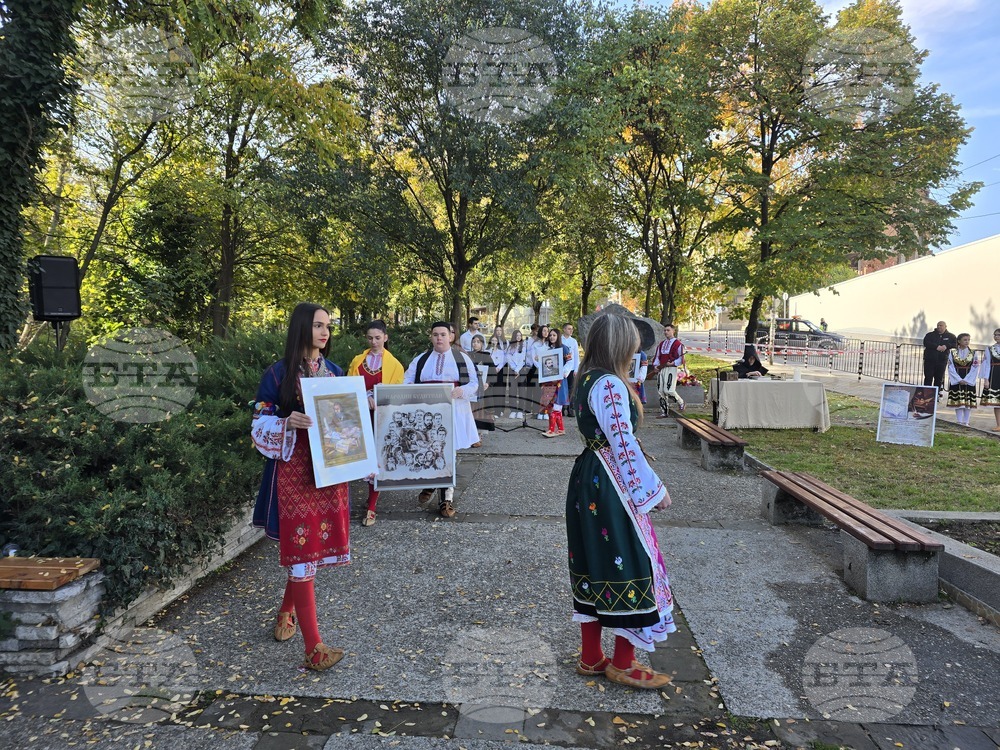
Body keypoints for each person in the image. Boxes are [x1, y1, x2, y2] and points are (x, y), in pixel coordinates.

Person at [565, 314, 675, 689]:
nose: (635, 350)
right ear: (619, 346)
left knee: (594, 561)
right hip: (610, 481)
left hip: (588, 477)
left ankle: (592, 657)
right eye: (630, 344)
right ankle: (623, 664)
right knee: (631, 560)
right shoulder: (610, 384)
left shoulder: (586, 378)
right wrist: (653, 492)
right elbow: (623, 444)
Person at [250, 302, 347, 671]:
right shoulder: (278, 374)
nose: (325, 332)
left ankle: (285, 613)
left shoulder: (336, 372)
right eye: (318, 325)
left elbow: (344, 420)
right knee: (304, 556)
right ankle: (314, 648)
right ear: (302, 328)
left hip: (328, 473)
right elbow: (258, 421)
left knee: (311, 555)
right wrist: (285, 421)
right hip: (293, 474)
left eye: (328, 326)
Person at [404, 321, 480, 517]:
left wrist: (460, 390)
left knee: (448, 455)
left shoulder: (461, 359)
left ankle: (446, 499)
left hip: (453, 411)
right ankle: (430, 483)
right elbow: (406, 381)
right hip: (427, 415)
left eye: (443, 334)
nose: (439, 338)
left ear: (451, 336)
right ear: (431, 337)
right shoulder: (421, 360)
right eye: (435, 334)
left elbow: (474, 383)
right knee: (429, 450)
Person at [347, 319, 405, 527]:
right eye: (370, 338)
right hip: (360, 416)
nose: (374, 342)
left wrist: (380, 397)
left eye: (378, 338)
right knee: (357, 457)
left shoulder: (395, 365)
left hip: (382, 417)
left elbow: (398, 394)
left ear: (386, 338)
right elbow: (348, 387)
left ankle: (372, 506)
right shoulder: (357, 361)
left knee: (378, 459)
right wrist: (363, 397)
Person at [537, 326, 573, 437]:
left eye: (554, 335)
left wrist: (563, 372)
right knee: (552, 405)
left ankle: (551, 430)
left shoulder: (564, 348)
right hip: (549, 382)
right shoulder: (548, 350)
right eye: (550, 335)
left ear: (558, 336)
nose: (552, 337)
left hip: (560, 382)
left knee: (556, 406)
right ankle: (561, 429)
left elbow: (570, 362)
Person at [652, 324, 685, 416]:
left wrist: (673, 363)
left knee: (668, 390)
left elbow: (681, 357)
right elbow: (658, 356)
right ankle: (664, 411)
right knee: (661, 391)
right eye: (665, 330)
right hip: (661, 369)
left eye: (668, 330)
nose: (666, 332)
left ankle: (680, 402)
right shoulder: (662, 344)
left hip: (671, 368)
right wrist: (656, 366)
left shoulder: (677, 344)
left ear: (673, 331)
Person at [946, 333, 979, 426]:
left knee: (967, 401)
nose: (967, 341)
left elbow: (975, 367)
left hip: (969, 378)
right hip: (957, 378)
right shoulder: (952, 353)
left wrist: (967, 379)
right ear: (959, 341)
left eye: (968, 339)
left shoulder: (973, 353)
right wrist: (958, 379)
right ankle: (959, 421)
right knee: (958, 401)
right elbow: (950, 366)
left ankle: (966, 421)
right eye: (965, 340)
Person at [923, 321, 957, 391]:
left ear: (945, 326)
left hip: (942, 361)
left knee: (939, 378)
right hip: (929, 360)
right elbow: (926, 343)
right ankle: (926, 394)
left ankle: (937, 394)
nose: (939, 327)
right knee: (928, 378)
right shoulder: (930, 335)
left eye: (941, 325)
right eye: (938, 325)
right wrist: (936, 347)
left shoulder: (951, 336)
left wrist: (946, 346)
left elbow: (955, 344)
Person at [980, 328, 1000, 432]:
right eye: (995, 335)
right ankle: (998, 424)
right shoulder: (990, 349)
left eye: (998, 335)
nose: (996, 337)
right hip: (995, 375)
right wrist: (986, 379)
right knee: (997, 402)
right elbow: (987, 365)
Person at [505, 329, 527, 419]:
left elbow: (523, 360)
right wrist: (514, 369)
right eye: (517, 335)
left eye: (520, 335)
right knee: (512, 390)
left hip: (521, 370)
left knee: (521, 391)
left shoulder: (523, 347)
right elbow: (508, 358)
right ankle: (513, 410)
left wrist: (517, 370)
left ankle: (521, 410)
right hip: (512, 371)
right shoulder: (510, 347)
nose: (518, 337)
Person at [562, 323, 581, 418]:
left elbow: (576, 356)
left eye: (572, 329)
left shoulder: (573, 341)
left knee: (571, 389)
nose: (571, 331)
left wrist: (576, 369)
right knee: (562, 388)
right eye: (569, 329)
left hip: (572, 368)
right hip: (563, 368)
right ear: (564, 329)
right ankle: (561, 408)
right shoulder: (560, 339)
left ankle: (570, 408)